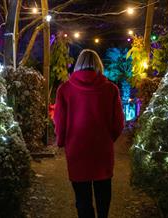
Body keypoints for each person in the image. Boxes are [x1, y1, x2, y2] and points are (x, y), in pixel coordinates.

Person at [54, 49, 124, 218]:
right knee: (103, 195)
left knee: (82, 198)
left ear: (78, 64)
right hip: (102, 150)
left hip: (77, 149)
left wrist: (62, 141)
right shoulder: (111, 89)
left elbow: (59, 121)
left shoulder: (65, 89)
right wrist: (108, 138)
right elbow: (118, 123)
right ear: (99, 65)